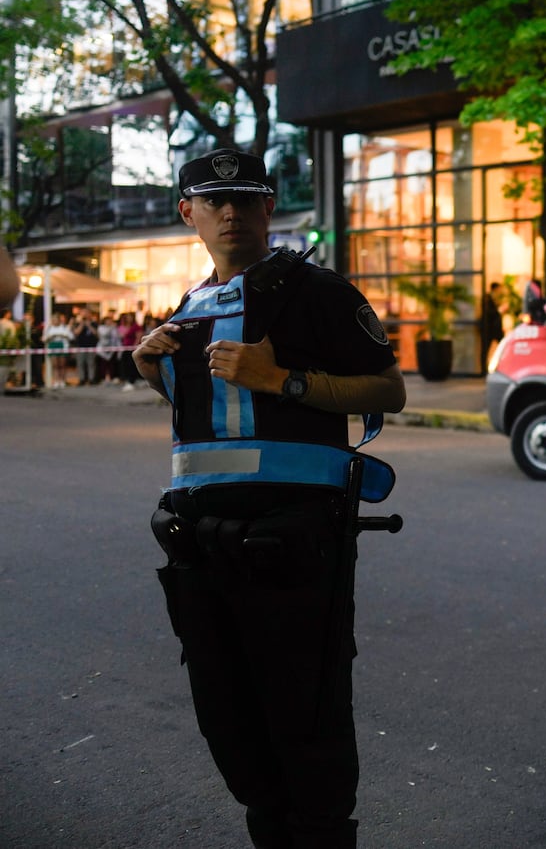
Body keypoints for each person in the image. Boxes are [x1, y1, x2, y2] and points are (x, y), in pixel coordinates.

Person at [133, 150, 405, 847]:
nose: (232, 213)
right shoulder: (189, 311)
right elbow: (210, 429)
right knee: (231, 724)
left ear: (268, 208)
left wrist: (282, 379)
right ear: (186, 212)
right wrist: (152, 366)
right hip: (200, 550)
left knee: (306, 726)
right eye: (215, 201)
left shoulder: (315, 291)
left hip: (292, 544)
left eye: (247, 199)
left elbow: (387, 389)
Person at [479, 280, 506, 370]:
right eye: (499, 289)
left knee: (502, 347)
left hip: (495, 329)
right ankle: (483, 369)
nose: (500, 291)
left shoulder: (495, 299)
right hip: (488, 328)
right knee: (485, 349)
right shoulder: (487, 298)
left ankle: (500, 367)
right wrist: (499, 310)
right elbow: (488, 313)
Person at [43, 310, 73, 388]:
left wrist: (63, 336)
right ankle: (56, 380)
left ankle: (62, 380)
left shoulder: (64, 327)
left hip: (62, 346)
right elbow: (44, 338)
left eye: (56, 319)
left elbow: (71, 337)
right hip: (53, 345)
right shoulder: (49, 328)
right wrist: (50, 337)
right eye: (53, 320)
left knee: (62, 365)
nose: (54, 321)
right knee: (55, 365)